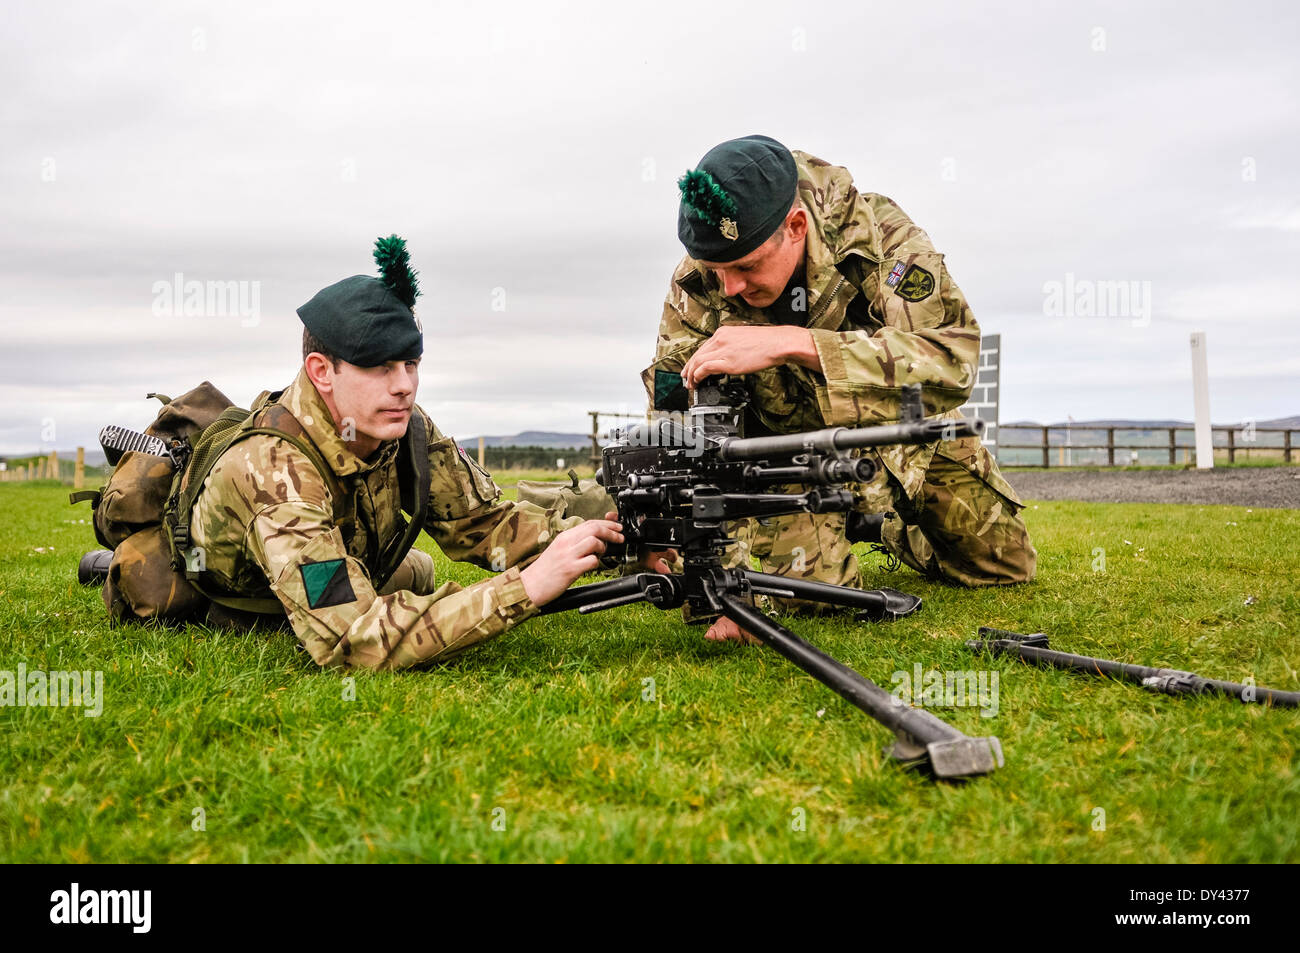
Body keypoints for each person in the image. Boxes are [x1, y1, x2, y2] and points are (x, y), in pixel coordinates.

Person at [643, 135, 1036, 643]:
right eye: (718, 271)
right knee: (818, 597)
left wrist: (800, 344)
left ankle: (879, 526)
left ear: (796, 227)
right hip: (779, 468)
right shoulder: (697, 283)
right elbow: (676, 417)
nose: (729, 288)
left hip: (900, 442)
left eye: (745, 267)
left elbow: (950, 362)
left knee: (1004, 566)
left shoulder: (882, 239)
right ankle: (822, 529)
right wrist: (703, 554)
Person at [187, 246, 641, 670]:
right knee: (395, 590)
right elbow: (354, 638)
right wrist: (527, 587)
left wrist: (613, 544)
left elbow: (482, 524)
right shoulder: (273, 470)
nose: (404, 384)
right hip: (248, 593)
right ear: (322, 372)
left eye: (411, 364)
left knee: (418, 572)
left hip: (357, 559)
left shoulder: (400, 424)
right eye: (380, 367)